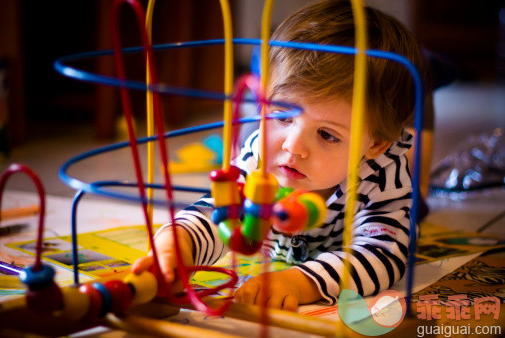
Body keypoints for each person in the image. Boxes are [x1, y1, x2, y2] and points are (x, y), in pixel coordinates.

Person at [132, 0, 427, 311]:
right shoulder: (260, 154)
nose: (292, 146)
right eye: (282, 116)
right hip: (278, 236)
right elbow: (217, 216)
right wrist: (177, 246)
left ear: (375, 146)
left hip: (366, 226)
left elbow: (381, 254)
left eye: (327, 134)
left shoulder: (383, 174)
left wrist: (301, 282)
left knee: (408, 220)